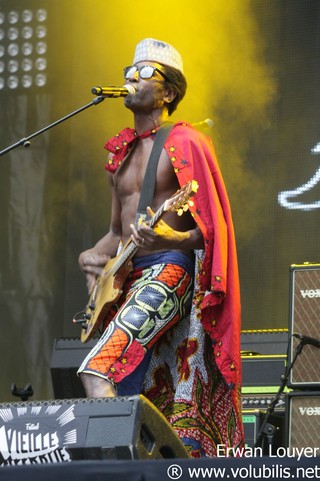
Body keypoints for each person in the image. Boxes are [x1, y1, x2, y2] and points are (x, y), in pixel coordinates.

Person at [77, 38, 244, 457]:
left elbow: (213, 231)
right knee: (128, 386)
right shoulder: (121, 154)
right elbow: (116, 232)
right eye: (128, 73)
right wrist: (93, 257)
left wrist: (173, 238)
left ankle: (116, 467)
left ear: (168, 91)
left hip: (171, 268)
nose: (131, 79)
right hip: (129, 277)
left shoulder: (188, 143)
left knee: (99, 369)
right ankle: (139, 460)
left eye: (144, 73)